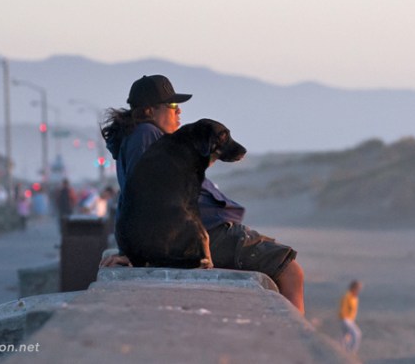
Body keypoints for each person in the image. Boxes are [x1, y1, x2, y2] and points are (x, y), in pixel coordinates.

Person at [100, 74, 306, 314]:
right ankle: (295, 337)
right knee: (291, 272)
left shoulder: (144, 137)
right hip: (206, 234)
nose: (179, 112)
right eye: (172, 105)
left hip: (202, 231)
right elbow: (143, 197)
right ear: (148, 111)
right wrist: (133, 252)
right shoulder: (146, 134)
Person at [339, 280, 363, 354]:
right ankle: (351, 352)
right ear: (353, 288)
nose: (359, 291)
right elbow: (343, 308)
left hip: (350, 320)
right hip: (345, 319)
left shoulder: (354, 298)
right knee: (357, 334)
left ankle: (344, 352)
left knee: (346, 337)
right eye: (358, 288)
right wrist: (344, 317)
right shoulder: (347, 296)